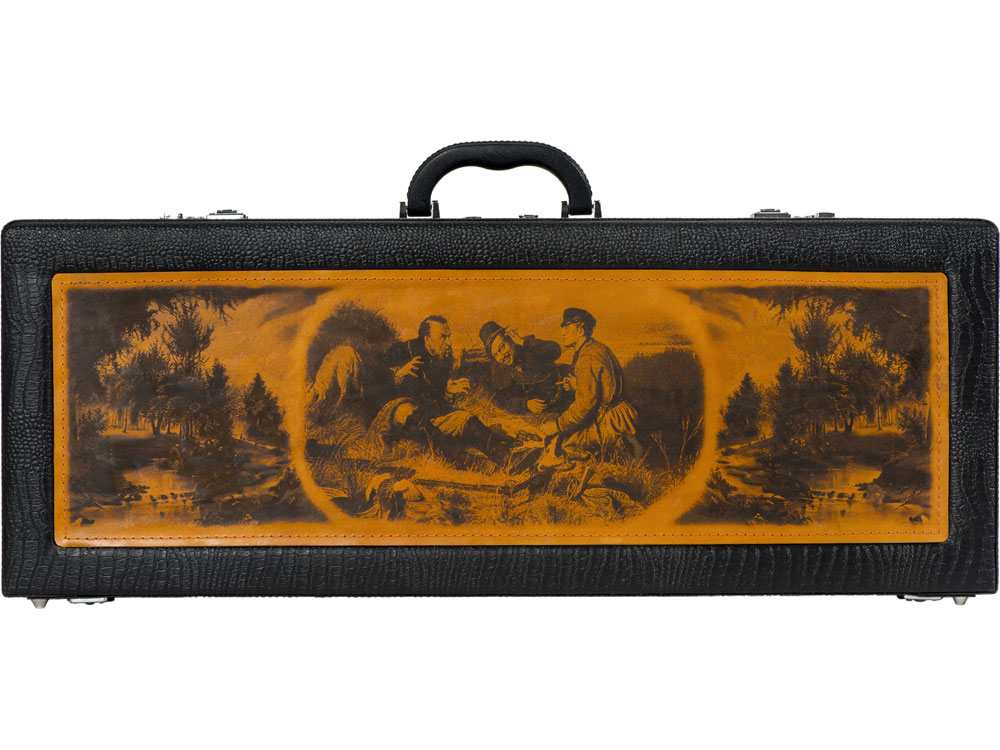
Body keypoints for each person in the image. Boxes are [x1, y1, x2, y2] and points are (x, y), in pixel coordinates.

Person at [368, 315, 516, 466]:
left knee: (466, 418)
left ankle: (507, 458)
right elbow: (373, 382)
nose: (448, 342)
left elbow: (437, 399)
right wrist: (397, 374)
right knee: (410, 412)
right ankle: (469, 462)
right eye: (443, 337)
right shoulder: (401, 350)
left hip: (430, 415)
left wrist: (449, 391)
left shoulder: (443, 359)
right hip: (398, 416)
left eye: (449, 336)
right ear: (427, 339)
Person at [540, 308, 641, 457]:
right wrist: (578, 385)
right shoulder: (596, 347)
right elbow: (605, 386)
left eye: (567, 328)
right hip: (623, 414)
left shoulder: (586, 359)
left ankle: (617, 449)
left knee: (565, 445)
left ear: (580, 331)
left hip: (612, 422)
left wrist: (557, 425)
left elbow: (584, 406)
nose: (562, 333)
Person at [478, 321, 568, 415]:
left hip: (562, 396)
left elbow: (556, 350)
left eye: (502, 347)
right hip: (541, 413)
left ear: (509, 339)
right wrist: (526, 404)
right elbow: (501, 399)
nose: (501, 356)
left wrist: (524, 342)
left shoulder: (528, 346)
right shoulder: (498, 367)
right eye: (495, 355)